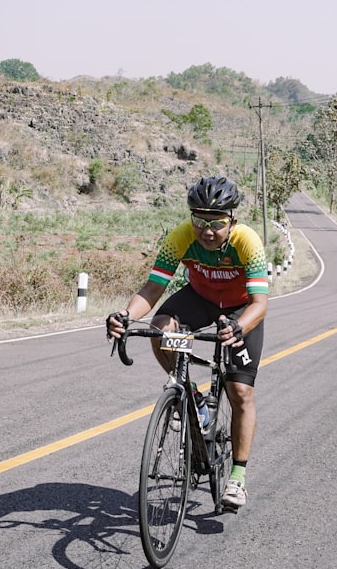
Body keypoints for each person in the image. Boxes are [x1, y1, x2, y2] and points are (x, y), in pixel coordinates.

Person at [106, 175, 268, 511]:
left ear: (232, 221)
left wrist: (238, 327)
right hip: (200, 298)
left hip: (241, 308)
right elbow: (152, 289)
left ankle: (237, 477)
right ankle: (192, 396)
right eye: (200, 221)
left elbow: (260, 304)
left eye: (217, 224)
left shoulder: (247, 241)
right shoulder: (180, 236)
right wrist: (124, 314)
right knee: (161, 326)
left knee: (240, 392)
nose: (207, 232)